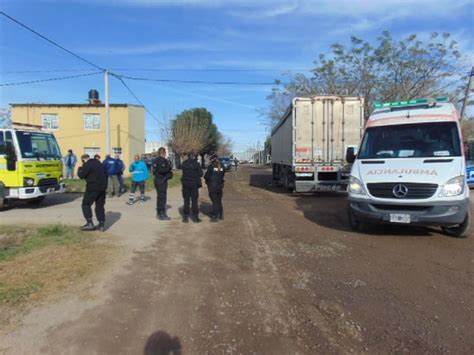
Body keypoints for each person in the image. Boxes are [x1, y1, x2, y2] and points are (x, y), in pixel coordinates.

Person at [77, 154, 107, 231]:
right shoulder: (99, 163)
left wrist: (79, 169)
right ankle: (101, 224)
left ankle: (89, 223)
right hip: (102, 188)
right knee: (99, 206)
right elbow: (106, 173)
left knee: (86, 204)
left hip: (93, 187)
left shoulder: (87, 164)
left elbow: (81, 175)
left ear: (83, 159)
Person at [181, 152, 203, 223]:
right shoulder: (196, 164)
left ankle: (185, 217)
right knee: (194, 201)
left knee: (186, 201)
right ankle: (195, 217)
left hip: (186, 184)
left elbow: (183, 172)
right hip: (194, 184)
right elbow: (200, 174)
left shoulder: (184, 164)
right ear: (194, 156)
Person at [152, 147, 173, 220]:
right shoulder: (161, 161)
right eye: (165, 153)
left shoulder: (156, 160)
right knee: (162, 197)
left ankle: (160, 212)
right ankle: (161, 213)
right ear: (163, 153)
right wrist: (168, 168)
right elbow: (162, 170)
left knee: (160, 197)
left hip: (159, 180)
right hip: (161, 180)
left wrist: (169, 172)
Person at [204, 154, 225, 222]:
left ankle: (215, 216)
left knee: (215, 201)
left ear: (212, 160)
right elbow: (222, 175)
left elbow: (206, 176)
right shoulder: (222, 166)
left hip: (212, 186)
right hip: (220, 186)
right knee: (219, 201)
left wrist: (207, 180)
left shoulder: (211, 167)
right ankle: (221, 215)